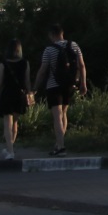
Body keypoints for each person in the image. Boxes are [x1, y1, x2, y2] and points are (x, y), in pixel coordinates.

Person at [38, 21, 87, 155]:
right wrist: (83, 84)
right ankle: (59, 144)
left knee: (57, 116)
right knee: (64, 113)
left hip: (54, 85)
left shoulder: (49, 49)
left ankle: (60, 146)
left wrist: (35, 85)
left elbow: (43, 70)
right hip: (70, 85)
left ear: (52, 35)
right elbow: (81, 65)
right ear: (62, 33)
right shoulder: (74, 45)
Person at [0, 37, 32, 152]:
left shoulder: (3, 63)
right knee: (15, 122)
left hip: (7, 93)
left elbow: (0, 82)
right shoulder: (25, 63)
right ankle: (11, 147)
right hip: (19, 95)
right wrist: (29, 94)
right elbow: (27, 81)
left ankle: (10, 150)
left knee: (7, 122)